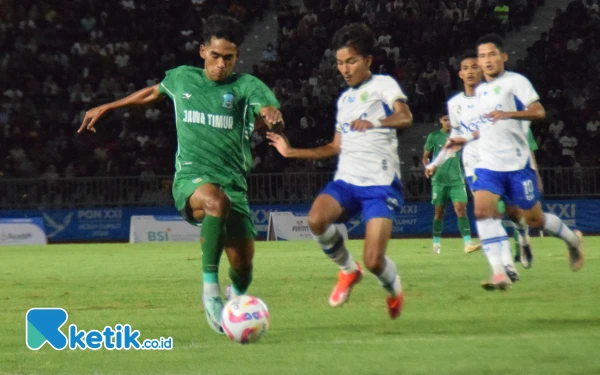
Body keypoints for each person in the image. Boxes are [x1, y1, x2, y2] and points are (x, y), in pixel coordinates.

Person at [77, 15, 284, 333]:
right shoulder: (182, 78)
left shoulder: (247, 87)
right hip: (191, 180)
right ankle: (210, 292)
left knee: (243, 268)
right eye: (215, 56)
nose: (220, 64)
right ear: (203, 51)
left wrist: (273, 117)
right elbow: (149, 94)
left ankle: (236, 302)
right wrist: (107, 107)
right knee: (216, 202)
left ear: (237, 57)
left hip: (234, 186)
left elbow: (270, 115)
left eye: (228, 58)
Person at [266, 23, 413, 319]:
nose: (345, 69)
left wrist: (375, 123)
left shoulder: (383, 85)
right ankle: (348, 270)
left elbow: (405, 117)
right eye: (340, 63)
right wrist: (291, 151)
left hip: (380, 185)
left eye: (351, 61)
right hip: (347, 181)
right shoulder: (344, 101)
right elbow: (334, 147)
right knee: (316, 219)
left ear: (368, 61)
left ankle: (394, 288)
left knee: (374, 260)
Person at [472, 34, 583, 290]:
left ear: (503, 56)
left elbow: (539, 111)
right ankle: (499, 273)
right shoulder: (480, 91)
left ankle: (573, 240)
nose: (487, 60)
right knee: (481, 211)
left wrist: (508, 113)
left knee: (534, 220)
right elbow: (486, 126)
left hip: (517, 166)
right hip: (489, 165)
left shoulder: (516, 81)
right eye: (482, 56)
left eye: (491, 54)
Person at [425, 51, 537, 272]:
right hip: (474, 165)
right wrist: (436, 163)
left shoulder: (495, 98)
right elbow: (454, 139)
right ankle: (506, 266)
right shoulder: (455, 103)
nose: (470, 72)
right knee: (490, 213)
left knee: (514, 213)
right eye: (465, 68)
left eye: (474, 67)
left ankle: (522, 238)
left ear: (483, 70)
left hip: (501, 160)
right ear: (459, 74)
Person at [422, 115, 481, 255]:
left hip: (456, 179)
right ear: (440, 121)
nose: (447, 122)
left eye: (449, 119)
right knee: (439, 212)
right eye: (444, 119)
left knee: (461, 209)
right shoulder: (434, 136)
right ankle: (436, 242)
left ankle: (468, 242)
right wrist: (428, 166)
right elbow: (425, 156)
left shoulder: (460, 136)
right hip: (439, 179)